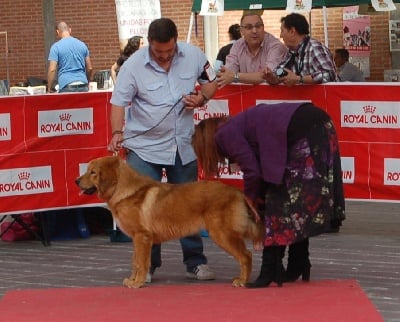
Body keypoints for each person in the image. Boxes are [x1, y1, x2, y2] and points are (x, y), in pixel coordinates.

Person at [108, 18, 218, 283]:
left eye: (169, 52)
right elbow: (118, 103)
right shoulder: (132, 66)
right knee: (143, 212)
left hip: (183, 146)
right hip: (144, 149)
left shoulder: (193, 55)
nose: (165, 57)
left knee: (188, 207)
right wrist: (116, 133)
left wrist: (202, 98)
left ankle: (195, 262)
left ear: (176, 41)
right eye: (159, 53)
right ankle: (147, 266)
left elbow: (211, 83)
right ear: (150, 45)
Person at [192, 102, 346, 288]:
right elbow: (261, 171)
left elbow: (252, 172)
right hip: (319, 123)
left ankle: (270, 270)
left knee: (278, 203)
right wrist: (257, 197)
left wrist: (250, 200)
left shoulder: (224, 134)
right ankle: (298, 263)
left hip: (304, 128)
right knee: (298, 205)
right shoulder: (234, 126)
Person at [263, 13, 338, 86]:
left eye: (282, 31)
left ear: (292, 31)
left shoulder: (314, 47)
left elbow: (329, 75)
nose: (281, 35)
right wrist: (271, 76)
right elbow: (281, 71)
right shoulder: (291, 52)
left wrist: (299, 79)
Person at [216, 11, 287, 87]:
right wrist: (227, 75)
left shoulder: (275, 46)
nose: (254, 31)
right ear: (241, 31)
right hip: (247, 96)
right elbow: (228, 73)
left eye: (258, 26)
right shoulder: (237, 46)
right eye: (249, 27)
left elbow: (267, 76)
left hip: (273, 97)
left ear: (263, 27)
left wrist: (235, 76)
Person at [47, 22, 93, 93]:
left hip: (66, 86)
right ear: (70, 30)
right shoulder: (82, 45)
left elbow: (52, 70)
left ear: (58, 32)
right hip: (83, 85)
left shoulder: (55, 47)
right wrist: (87, 80)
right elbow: (90, 68)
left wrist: (49, 88)